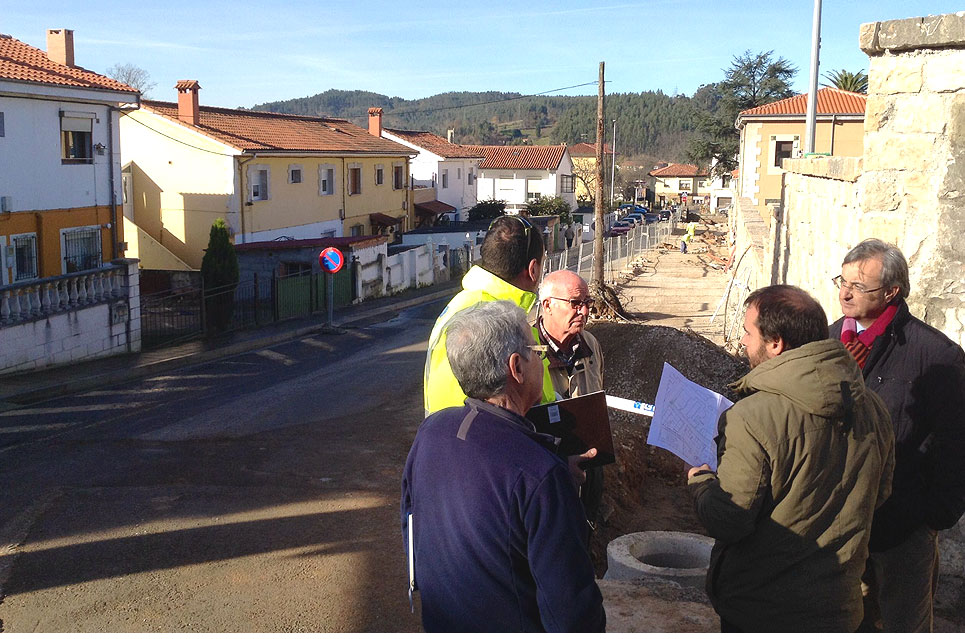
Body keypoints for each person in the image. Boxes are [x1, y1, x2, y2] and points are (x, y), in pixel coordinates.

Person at [687, 284, 895, 632]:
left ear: (775, 343)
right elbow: (881, 493)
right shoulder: (872, 406)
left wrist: (700, 479)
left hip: (764, 610)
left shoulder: (752, 416)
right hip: (840, 607)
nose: (742, 342)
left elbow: (728, 520)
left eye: (747, 332)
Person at [401, 301, 606, 632]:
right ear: (517, 368)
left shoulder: (433, 431)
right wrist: (552, 486)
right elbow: (572, 614)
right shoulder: (540, 476)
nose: (543, 359)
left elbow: (414, 527)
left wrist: (549, 477)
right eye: (538, 352)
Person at [828, 239, 965, 632]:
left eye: (859, 285)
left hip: (902, 526)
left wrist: (931, 517)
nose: (845, 292)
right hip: (836, 521)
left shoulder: (937, 355)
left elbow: (955, 445)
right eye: (842, 279)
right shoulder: (828, 340)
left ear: (892, 292)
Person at [423, 215, 555, 416]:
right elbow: (542, 401)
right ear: (533, 269)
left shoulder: (461, 303)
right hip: (487, 440)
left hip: (444, 434)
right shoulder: (508, 321)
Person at [537, 270, 605, 528]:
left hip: (590, 470)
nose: (585, 312)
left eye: (587, 304)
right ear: (547, 305)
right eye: (576, 303)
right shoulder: (525, 351)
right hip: (546, 477)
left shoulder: (591, 346)